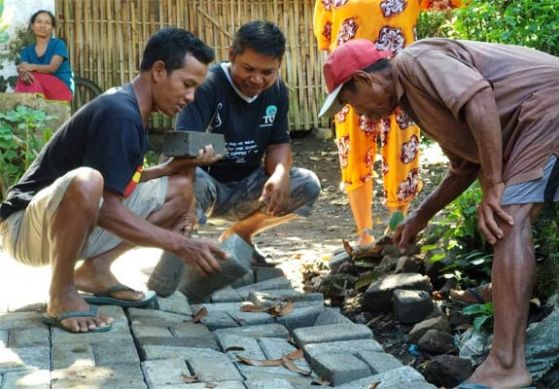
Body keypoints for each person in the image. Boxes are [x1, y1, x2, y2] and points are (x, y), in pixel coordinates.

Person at [319, 38, 559, 388]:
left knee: (506, 218)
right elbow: (463, 167)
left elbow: (480, 97)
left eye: (350, 102)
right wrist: (421, 217)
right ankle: (506, 300)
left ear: (364, 80)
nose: (357, 113)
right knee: (509, 220)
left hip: (554, 106)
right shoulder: (412, 100)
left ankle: (506, 365)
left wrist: (495, 184)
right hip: (542, 114)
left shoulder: (416, 61)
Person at [0, 28, 228, 334]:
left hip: (63, 222)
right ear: (159, 71)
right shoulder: (119, 113)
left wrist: (170, 168)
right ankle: (61, 292)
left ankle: (96, 271)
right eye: (187, 85)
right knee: (88, 181)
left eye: (196, 89)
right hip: (23, 227)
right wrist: (181, 244)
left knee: (179, 188)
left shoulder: (135, 111)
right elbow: (106, 206)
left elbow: (119, 182)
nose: (190, 97)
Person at [313, 0, 463, 247]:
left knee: (402, 156)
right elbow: (327, 40)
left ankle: (396, 228)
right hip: (351, 86)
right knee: (354, 157)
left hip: (399, 81)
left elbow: (453, 2)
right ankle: (363, 234)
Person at [175, 21, 321, 261]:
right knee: (186, 180)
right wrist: (186, 199)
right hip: (206, 186)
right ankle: (181, 249)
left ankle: (238, 236)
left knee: (307, 184)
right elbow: (184, 148)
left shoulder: (277, 92)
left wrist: (280, 174)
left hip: (248, 188)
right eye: (248, 68)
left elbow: (278, 144)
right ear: (231, 55)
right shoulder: (208, 86)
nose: (256, 79)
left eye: (267, 72)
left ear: (278, 66)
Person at [15, 10, 74, 102]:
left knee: (33, 76)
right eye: (39, 22)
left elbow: (52, 68)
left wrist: (30, 67)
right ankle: (28, 110)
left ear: (52, 28)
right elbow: (24, 67)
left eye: (47, 23)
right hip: (38, 89)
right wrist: (24, 72)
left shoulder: (58, 44)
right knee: (25, 77)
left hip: (61, 90)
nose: (43, 25)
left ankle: (31, 109)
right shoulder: (27, 50)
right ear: (32, 26)